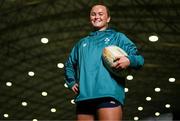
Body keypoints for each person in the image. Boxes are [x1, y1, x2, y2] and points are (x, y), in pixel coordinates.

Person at [64, 4, 144, 121]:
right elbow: (69, 65)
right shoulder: (81, 43)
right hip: (84, 98)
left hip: (108, 95)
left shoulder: (117, 37)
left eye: (101, 14)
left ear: (108, 18)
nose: (96, 17)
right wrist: (71, 81)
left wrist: (129, 60)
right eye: (93, 14)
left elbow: (139, 59)